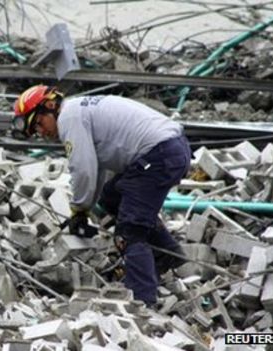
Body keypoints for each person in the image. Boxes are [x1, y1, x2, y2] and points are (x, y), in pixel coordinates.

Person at [12, 85, 190, 306]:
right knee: (111, 196)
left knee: (129, 232)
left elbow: (83, 169)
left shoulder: (70, 118)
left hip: (158, 155)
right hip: (168, 149)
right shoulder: (78, 110)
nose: (41, 132)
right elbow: (96, 169)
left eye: (38, 123)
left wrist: (78, 208)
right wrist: (84, 210)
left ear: (50, 106)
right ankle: (167, 254)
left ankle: (142, 303)